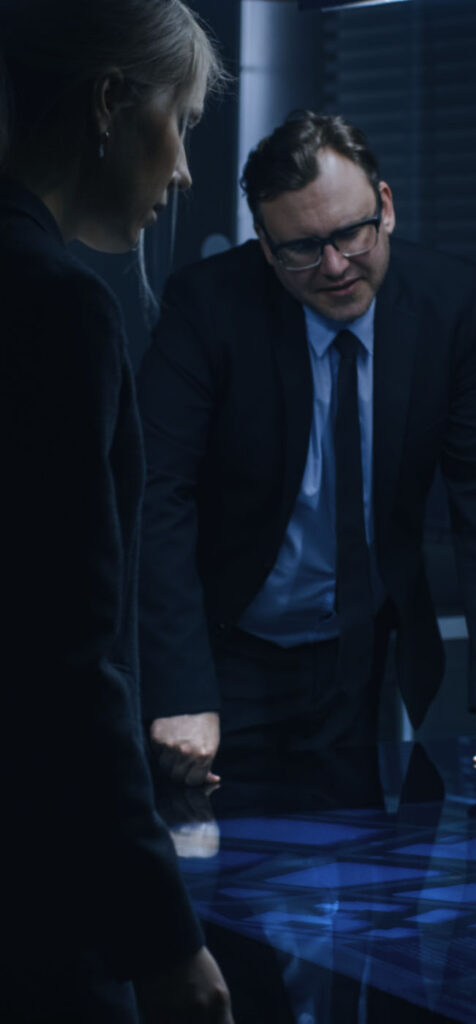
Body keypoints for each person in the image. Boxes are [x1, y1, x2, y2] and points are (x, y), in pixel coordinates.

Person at [137, 110, 476, 786]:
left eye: (352, 233)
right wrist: (180, 690)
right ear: (266, 245)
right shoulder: (208, 307)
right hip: (230, 651)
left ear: (385, 206)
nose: (334, 266)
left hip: (362, 652)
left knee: (363, 845)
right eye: (301, 246)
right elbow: (157, 492)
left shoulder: (447, 299)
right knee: (219, 847)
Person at [0, 1, 233, 1020]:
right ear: (108, 104)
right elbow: (62, 663)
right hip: (35, 899)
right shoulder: (52, 305)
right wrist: (165, 940)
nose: (181, 171)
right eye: (180, 121)